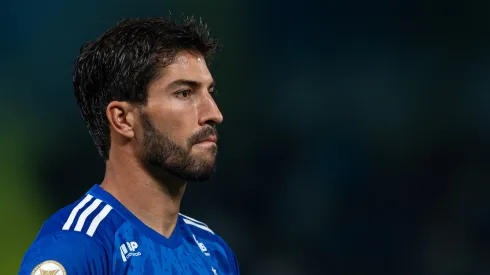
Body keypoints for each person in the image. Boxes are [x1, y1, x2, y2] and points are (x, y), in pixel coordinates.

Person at [18, 16, 239, 275]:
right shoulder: (77, 246)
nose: (214, 113)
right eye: (184, 93)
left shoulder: (214, 252)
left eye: (209, 92)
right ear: (122, 119)